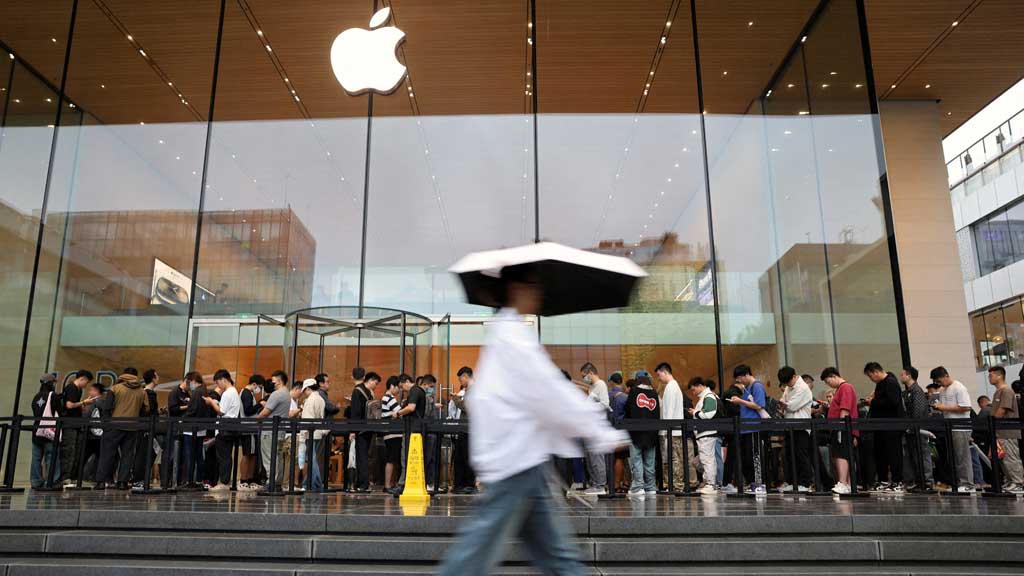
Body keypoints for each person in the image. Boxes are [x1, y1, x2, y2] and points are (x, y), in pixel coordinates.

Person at [437, 264, 628, 576]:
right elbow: (549, 391)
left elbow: (541, 394)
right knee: (473, 560)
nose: (539, 294)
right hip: (516, 463)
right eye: (534, 286)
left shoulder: (505, 333)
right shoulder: (513, 337)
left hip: (521, 461)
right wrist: (599, 430)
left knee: (556, 558)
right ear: (517, 289)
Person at [94, 369, 148, 490]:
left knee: (107, 454)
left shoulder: (115, 388)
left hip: (114, 425)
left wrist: (106, 425)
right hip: (132, 427)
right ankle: (122, 482)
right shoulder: (142, 391)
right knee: (127, 455)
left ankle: (101, 481)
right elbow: (144, 410)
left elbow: (107, 408)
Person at [930, 366, 974, 493]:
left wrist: (944, 408)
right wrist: (939, 407)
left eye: (939, 381)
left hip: (961, 426)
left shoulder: (959, 387)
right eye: (936, 382)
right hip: (950, 426)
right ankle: (959, 482)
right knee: (954, 457)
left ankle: (968, 483)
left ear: (946, 375)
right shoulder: (943, 390)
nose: (939, 384)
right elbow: (945, 406)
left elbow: (966, 407)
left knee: (962, 456)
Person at [864, 362, 906, 492]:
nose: (871, 379)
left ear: (876, 372)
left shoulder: (891, 382)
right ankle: (883, 480)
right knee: (880, 453)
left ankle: (897, 481)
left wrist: (873, 402)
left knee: (894, 453)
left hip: (891, 425)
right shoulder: (880, 384)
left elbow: (893, 402)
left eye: (871, 376)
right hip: (880, 425)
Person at [728, 364, 767, 492]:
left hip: (754, 427)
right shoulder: (748, 388)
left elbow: (759, 405)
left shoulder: (757, 386)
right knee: (746, 458)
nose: (740, 382)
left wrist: (740, 401)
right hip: (746, 428)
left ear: (746, 374)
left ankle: (759, 484)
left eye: (740, 378)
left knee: (755, 457)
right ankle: (752, 483)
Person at [822, 367, 858, 495]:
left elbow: (845, 409)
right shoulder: (840, 389)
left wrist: (841, 426)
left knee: (841, 455)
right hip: (839, 427)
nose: (828, 384)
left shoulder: (845, 387)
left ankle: (843, 482)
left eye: (828, 381)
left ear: (833, 376)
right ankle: (846, 483)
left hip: (841, 427)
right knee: (841, 454)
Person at [203, 369, 241, 491]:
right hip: (230, 427)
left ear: (223, 380)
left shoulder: (228, 393)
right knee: (226, 456)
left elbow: (221, 411)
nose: (218, 386)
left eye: (218, 383)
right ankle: (224, 481)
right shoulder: (233, 391)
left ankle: (224, 482)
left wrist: (211, 402)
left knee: (223, 457)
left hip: (224, 427)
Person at [778, 366, 813, 493]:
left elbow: (791, 406)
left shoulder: (803, 388)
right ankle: (793, 482)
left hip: (801, 426)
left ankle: (805, 482)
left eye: (788, 381)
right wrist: (784, 404)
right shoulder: (789, 386)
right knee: (789, 455)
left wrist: (785, 404)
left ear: (794, 376)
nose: (787, 385)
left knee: (800, 455)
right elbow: (783, 400)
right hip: (790, 425)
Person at [988, 366, 1023, 492]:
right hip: (999, 431)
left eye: (991, 375)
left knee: (1011, 457)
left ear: (999, 376)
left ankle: (1018, 482)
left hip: (1008, 431)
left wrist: (992, 422)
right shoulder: (997, 392)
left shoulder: (1007, 391)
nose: (989, 378)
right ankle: (1010, 480)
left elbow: (1002, 410)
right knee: (1003, 458)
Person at [900, 366, 934, 491]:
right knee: (913, 455)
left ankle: (927, 482)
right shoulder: (908, 391)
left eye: (903, 374)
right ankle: (919, 481)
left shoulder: (916, 391)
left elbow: (918, 411)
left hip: (918, 428)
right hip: (911, 429)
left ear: (909, 376)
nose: (901, 376)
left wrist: (913, 425)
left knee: (922, 454)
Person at [625, 375, 660, 500]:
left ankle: (638, 487)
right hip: (652, 432)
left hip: (636, 431)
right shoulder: (654, 393)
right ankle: (651, 487)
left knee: (637, 460)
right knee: (650, 461)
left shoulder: (634, 391)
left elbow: (627, 409)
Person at [255, 370, 291, 489]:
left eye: (273, 380)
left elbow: (266, 412)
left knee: (269, 457)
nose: (272, 383)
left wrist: (257, 418)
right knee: (279, 457)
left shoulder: (276, 394)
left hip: (269, 431)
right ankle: (277, 481)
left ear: (279, 381)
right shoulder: (287, 394)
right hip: (281, 431)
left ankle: (271, 481)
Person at [656, 362, 689, 491]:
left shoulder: (670, 387)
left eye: (659, 375)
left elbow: (668, 412)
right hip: (674, 430)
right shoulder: (674, 386)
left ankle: (675, 485)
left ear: (664, 372)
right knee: (674, 458)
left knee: (672, 458)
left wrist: (666, 430)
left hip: (670, 430)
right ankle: (674, 484)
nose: (659, 378)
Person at [580, 362, 610, 495]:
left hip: (597, 426)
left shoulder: (601, 385)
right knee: (591, 457)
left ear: (591, 373)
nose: (583, 379)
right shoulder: (592, 387)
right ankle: (595, 482)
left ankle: (600, 485)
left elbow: (604, 404)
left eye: (584, 376)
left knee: (597, 457)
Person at [59, 370, 94, 486]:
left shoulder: (78, 389)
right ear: (82, 378)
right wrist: (83, 402)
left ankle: (72, 476)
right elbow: (69, 405)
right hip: (70, 425)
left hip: (76, 424)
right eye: (86, 382)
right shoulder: (71, 388)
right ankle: (65, 477)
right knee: (69, 450)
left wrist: (81, 405)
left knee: (75, 451)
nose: (86, 385)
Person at [392, 373, 424, 495]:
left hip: (412, 428)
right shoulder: (418, 391)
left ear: (406, 381)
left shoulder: (414, 391)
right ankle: (405, 483)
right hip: (415, 428)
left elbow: (411, 408)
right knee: (410, 457)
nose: (401, 390)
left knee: (406, 456)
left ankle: (402, 484)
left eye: (401, 387)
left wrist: (398, 413)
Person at [688, 377, 721, 495]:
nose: (693, 392)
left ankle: (711, 483)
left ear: (699, 386)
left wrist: (695, 413)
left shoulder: (708, 396)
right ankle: (709, 481)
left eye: (693, 389)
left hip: (707, 433)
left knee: (707, 459)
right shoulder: (706, 397)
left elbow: (709, 413)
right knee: (701, 460)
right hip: (705, 433)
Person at [349, 371, 379, 492]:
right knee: (364, 457)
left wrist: (352, 430)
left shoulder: (358, 391)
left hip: (361, 430)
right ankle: (363, 483)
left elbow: (355, 413)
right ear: (369, 380)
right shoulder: (368, 393)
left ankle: (362, 483)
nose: (375, 385)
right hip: (367, 429)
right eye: (375, 383)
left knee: (361, 457)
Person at [30, 374, 61, 489]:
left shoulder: (36, 397)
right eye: (53, 383)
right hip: (49, 432)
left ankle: (36, 481)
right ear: (50, 383)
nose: (54, 385)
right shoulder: (53, 396)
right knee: (51, 456)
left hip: (36, 431)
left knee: (36, 458)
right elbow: (60, 413)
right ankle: (51, 481)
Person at [450, 366, 477, 494]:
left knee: (466, 457)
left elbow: (467, 407)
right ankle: (460, 485)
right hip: (465, 428)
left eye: (461, 380)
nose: (460, 382)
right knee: (460, 457)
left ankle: (469, 485)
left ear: (466, 376)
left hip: (469, 430)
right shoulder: (470, 390)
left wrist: (455, 399)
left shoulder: (474, 389)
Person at [298, 378, 327, 491]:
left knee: (311, 459)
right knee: (312, 459)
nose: (304, 393)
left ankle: (316, 484)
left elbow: (307, 419)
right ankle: (308, 483)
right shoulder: (320, 398)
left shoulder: (310, 400)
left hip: (310, 433)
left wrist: (303, 435)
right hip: (318, 432)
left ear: (308, 388)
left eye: (305, 390)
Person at [238, 375, 264, 489]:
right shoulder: (246, 393)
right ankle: (244, 479)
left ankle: (249, 479)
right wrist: (260, 404)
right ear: (254, 384)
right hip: (248, 428)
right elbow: (248, 411)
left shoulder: (248, 393)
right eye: (259, 387)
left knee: (251, 454)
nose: (260, 390)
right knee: (247, 454)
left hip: (249, 427)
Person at [608, 372, 629, 492]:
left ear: (611, 382)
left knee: (613, 459)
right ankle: (622, 483)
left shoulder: (608, 395)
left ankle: (614, 484)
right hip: (622, 430)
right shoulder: (625, 397)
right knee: (621, 458)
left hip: (609, 429)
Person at [381, 376, 402, 492]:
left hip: (391, 433)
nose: (398, 389)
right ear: (392, 386)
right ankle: (388, 485)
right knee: (391, 459)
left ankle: (391, 484)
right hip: (393, 433)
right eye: (397, 387)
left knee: (393, 459)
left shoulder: (387, 398)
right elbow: (400, 412)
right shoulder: (389, 398)